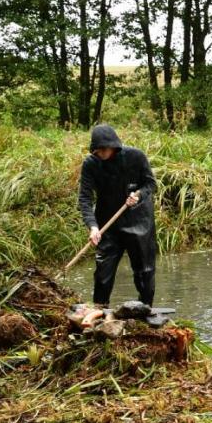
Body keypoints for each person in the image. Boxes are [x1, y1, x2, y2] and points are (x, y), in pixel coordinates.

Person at [78, 124, 158, 308]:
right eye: (97, 151)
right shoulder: (90, 164)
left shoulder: (135, 156)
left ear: (113, 145)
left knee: (144, 272)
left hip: (138, 221)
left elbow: (150, 184)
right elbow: (85, 198)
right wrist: (93, 226)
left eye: (103, 150)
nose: (100, 154)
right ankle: (99, 311)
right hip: (108, 223)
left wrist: (137, 195)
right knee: (102, 273)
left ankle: (145, 309)